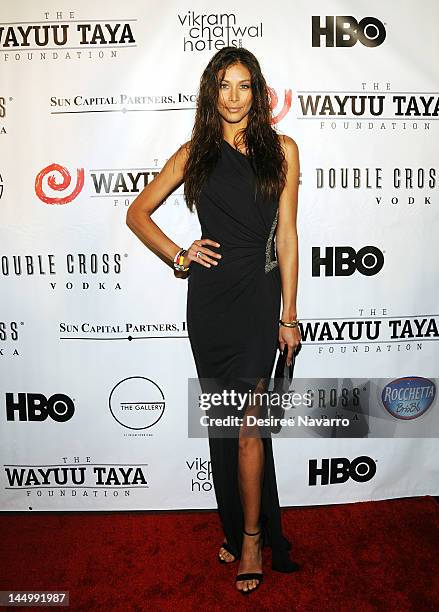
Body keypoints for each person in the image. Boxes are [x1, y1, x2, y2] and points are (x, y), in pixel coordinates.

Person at [126, 46, 301, 594]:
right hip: (210, 302)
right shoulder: (194, 154)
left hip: (258, 297)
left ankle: (252, 537)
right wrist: (179, 255)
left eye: (243, 85)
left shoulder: (285, 151)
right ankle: (234, 522)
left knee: (249, 422)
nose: (233, 97)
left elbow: (289, 236)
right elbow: (137, 213)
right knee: (224, 424)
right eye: (223, 85)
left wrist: (288, 313)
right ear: (211, 92)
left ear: (258, 91)